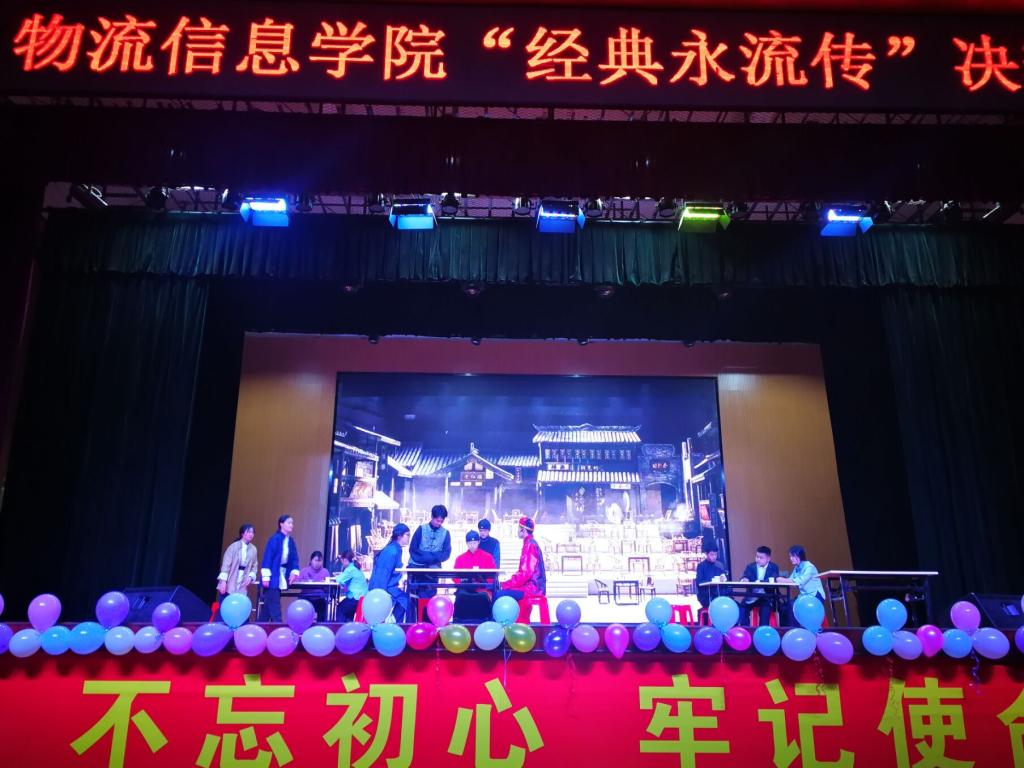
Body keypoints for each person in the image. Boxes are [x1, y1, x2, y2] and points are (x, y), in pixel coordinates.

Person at [407, 505, 452, 618]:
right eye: (437, 520)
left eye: (441, 521)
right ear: (432, 517)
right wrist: (430, 557)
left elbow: (446, 554)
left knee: (429, 599)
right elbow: (413, 549)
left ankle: (427, 622)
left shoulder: (445, 533)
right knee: (412, 598)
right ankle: (412, 622)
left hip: (433, 571)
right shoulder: (421, 529)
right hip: (416, 567)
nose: (439, 523)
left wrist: (430, 557)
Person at [494, 516, 546, 604]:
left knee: (497, 594)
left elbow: (526, 573)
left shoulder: (530, 545)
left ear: (523, 530)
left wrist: (506, 584)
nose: (517, 530)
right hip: (531, 586)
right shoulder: (530, 543)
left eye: (518, 528)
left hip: (532, 588)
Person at [260, 514, 300, 622]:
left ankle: (259, 625)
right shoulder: (275, 539)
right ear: (281, 524)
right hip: (273, 575)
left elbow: (294, 558)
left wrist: (294, 571)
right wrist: (266, 576)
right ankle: (279, 626)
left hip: (282, 573)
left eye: (292, 523)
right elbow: (268, 557)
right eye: (289, 523)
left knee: (268, 607)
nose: (291, 525)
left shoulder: (290, 541)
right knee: (275, 605)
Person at [369, 523, 411, 623]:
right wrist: (381, 595)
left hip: (391, 587)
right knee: (404, 601)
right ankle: (393, 624)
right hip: (386, 589)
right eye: (407, 535)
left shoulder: (396, 549)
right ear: (399, 536)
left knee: (405, 601)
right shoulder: (391, 551)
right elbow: (382, 575)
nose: (409, 538)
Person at [453, 530, 497, 623]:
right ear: (466, 543)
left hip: (483, 589)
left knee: (483, 597)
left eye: (474, 543)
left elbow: (492, 576)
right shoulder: (460, 559)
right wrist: (465, 583)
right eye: (470, 543)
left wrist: (482, 584)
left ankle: (486, 620)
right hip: (465, 589)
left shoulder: (488, 557)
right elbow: (455, 577)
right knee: (461, 596)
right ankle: (460, 621)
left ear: (479, 542)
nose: (472, 545)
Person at [779, 545, 827, 626]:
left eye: (792, 556)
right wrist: (780, 580)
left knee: (791, 605)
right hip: (803, 596)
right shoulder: (796, 568)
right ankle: (785, 631)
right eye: (790, 556)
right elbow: (790, 581)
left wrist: (783, 580)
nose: (791, 559)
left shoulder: (809, 567)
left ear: (799, 556)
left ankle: (794, 629)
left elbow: (800, 581)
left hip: (814, 595)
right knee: (783, 607)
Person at [738, 545, 780, 627]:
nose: (758, 559)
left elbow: (773, 579)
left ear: (768, 559)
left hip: (767, 597)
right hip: (752, 596)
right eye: (757, 557)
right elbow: (746, 576)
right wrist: (745, 579)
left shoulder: (773, 567)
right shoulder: (750, 566)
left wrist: (760, 582)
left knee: (765, 609)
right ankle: (745, 629)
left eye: (761, 558)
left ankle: (762, 631)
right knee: (742, 608)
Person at [217, 523, 258, 597]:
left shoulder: (253, 549)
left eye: (252, 532)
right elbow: (226, 565)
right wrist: (223, 581)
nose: (251, 534)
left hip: (243, 579)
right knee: (227, 597)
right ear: (242, 533)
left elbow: (254, 566)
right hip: (232, 576)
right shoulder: (233, 547)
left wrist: (250, 577)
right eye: (249, 532)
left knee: (240, 598)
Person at [298, 551, 332, 622]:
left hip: (319, 597)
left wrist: (324, 583)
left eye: (319, 561)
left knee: (323, 604)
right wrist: (303, 581)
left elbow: (328, 587)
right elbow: (298, 582)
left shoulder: (325, 572)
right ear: (311, 560)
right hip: (306, 597)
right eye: (315, 560)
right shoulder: (304, 571)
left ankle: (321, 625)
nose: (317, 563)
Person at [336, 549, 368, 622]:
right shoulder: (356, 567)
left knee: (340, 609)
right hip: (362, 597)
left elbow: (339, 580)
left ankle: (340, 627)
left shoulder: (350, 569)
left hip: (356, 597)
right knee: (347, 611)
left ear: (344, 560)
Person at [694, 543, 729, 609]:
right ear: (706, 554)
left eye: (715, 554)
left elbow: (724, 578)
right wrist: (713, 581)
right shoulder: (701, 566)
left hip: (719, 594)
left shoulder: (720, 565)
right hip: (706, 595)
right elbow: (699, 582)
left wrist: (724, 579)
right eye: (712, 554)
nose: (714, 557)